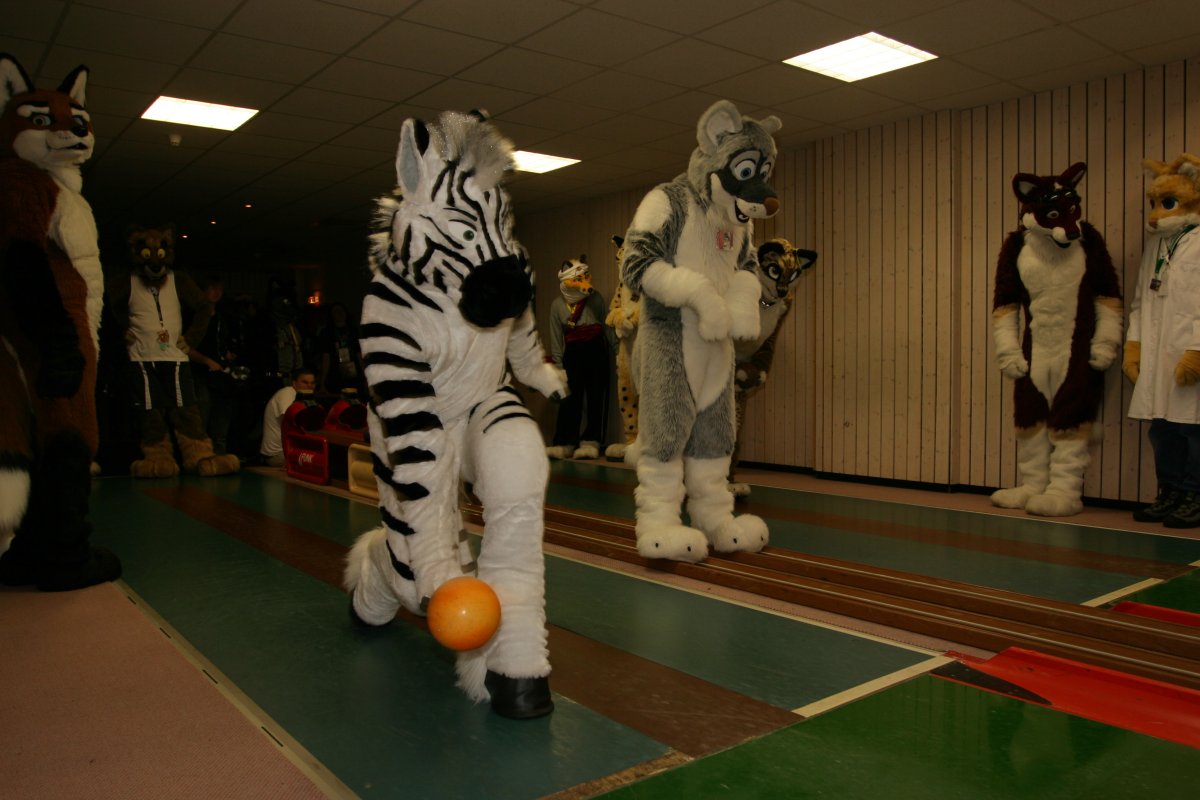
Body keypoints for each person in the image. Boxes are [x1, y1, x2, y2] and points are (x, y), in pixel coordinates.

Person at [260, 368, 316, 467]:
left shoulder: (303, 398)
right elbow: (294, 420)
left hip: (288, 449)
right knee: (315, 463)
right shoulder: (287, 393)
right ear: (294, 383)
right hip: (278, 454)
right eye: (304, 382)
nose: (309, 386)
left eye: (312, 383)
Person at [317, 302, 364, 395]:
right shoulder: (327, 332)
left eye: (342, 311)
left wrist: (365, 375)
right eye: (336, 311)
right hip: (335, 373)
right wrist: (322, 382)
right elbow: (326, 357)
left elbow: (359, 353)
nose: (340, 313)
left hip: (353, 372)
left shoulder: (353, 331)